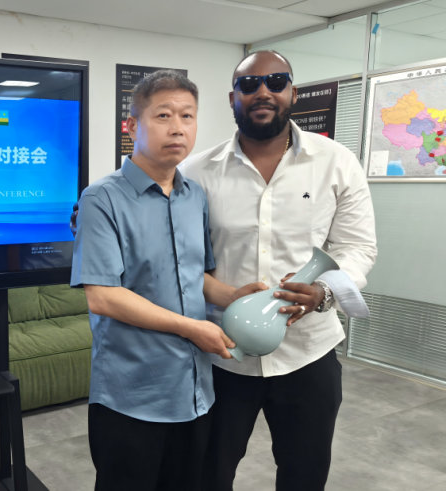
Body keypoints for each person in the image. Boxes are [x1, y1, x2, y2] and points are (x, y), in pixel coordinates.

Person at [180, 51, 378, 491]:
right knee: (206, 474)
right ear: (232, 97)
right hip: (222, 356)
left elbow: (358, 247)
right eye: (249, 85)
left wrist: (324, 292)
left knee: (304, 475)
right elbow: (175, 256)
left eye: (276, 81)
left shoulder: (336, 162)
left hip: (309, 352)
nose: (263, 92)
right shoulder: (196, 172)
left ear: (293, 92)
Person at [71, 70, 266, 491]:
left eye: (187, 116)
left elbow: (195, 276)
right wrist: (192, 328)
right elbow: (103, 297)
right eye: (163, 115)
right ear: (131, 126)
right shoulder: (101, 199)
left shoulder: (194, 196)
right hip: (132, 394)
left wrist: (234, 296)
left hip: (194, 391)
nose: (177, 127)